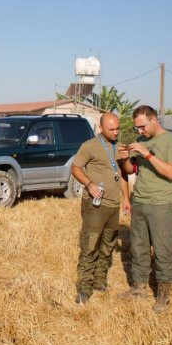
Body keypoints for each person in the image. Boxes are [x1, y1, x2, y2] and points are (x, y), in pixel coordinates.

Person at [120, 105, 172, 313]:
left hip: (162, 204)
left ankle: (164, 294)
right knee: (138, 246)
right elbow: (130, 170)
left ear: (153, 119)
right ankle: (139, 286)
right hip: (140, 200)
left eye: (141, 126)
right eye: (136, 128)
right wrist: (124, 158)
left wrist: (147, 155)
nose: (139, 131)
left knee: (164, 249)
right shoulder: (140, 141)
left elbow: (171, 173)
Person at [70, 112, 131, 304]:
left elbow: (121, 174)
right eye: (111, 129)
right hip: (95, 205)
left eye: (117, 128)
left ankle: (99, 280)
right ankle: (84, 288)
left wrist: (126, 198)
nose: (115, 132)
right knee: (90, 245)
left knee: (108, 246)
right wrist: (89, 184)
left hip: (113, 204)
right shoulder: (90, 146)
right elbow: (75, 168)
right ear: (101, 128)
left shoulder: (120, 147)